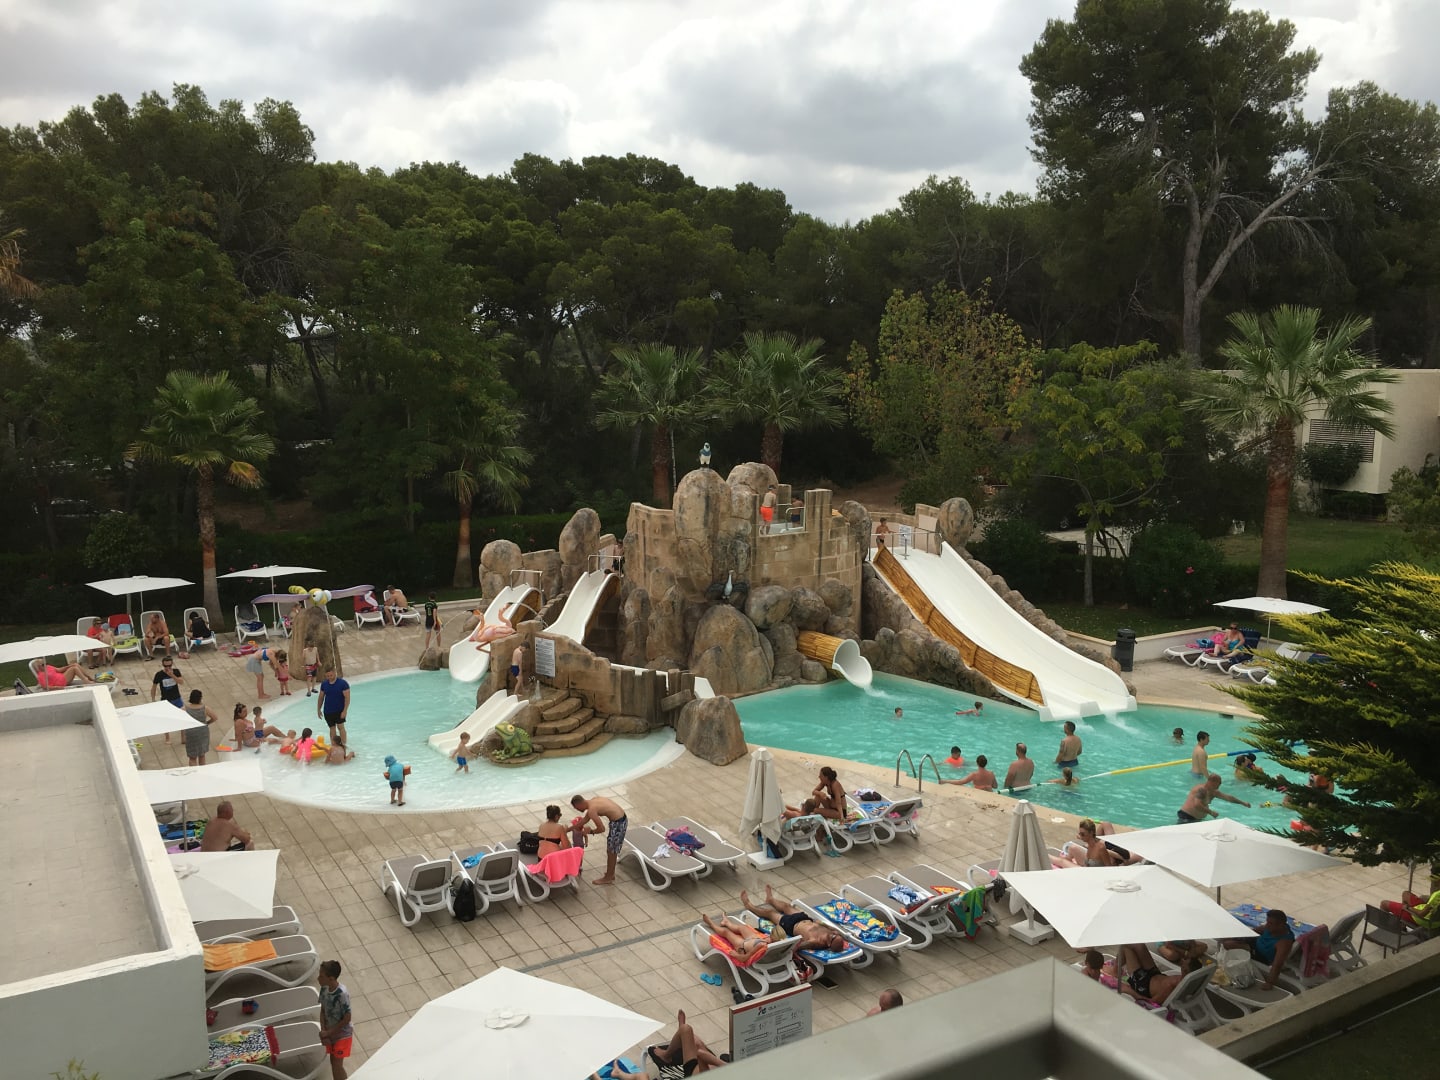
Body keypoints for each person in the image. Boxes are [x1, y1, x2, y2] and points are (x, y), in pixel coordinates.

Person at [741, 885, 847, 953]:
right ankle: (771, 899)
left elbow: (797, 946)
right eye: (835, 935)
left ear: (828, 944)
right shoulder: (833, 934)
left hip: (791, 925)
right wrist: (828, 927)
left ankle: (749, 906)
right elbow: (835, 932)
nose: (833, 935)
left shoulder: (816, 942)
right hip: (805, 919)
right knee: (786, 906)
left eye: (832, 938)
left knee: (770, 913)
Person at [1224, 910, 1295, 991]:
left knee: (1228, 944)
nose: (1267, 925)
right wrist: (1241, 938)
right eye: (1267, 922)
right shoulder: (1271, 928)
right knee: (1228, 938)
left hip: (1261, 955)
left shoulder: (1283, 943)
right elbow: (1254, 931)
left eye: (1270, 923)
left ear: (1281, 925)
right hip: (1257, 942)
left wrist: (1269, 983)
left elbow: (1277, 965)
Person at [645, 1009, 729, 1074]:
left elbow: (701, 1054)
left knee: (686, 1030)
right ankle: (681, 1034)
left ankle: (666, 1056)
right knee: (696, 1041)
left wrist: (725, 1065)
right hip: (709, 1067)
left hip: (694, 1070)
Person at [1118, 944, 1201, 1005]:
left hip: (1143, 984)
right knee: (1139, 945)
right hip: (1154, 974)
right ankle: (1117, 966)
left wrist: (1129, 990)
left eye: (1184, 961)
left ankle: (1115, 969)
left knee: (1126, 947)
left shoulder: (1171, 987)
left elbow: (1151, 1002)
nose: (1182, 960)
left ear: (1185, 970)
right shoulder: (1188, 979)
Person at [572, 793, 628, 884]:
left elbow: (601, 829)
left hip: (618, 823)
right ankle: (610, 874)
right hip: (621, 819)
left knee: (611, 851)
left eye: (576, 808)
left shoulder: (592, 810)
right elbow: (585, 820)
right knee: (611, 850)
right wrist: (569, 829)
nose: (577, 810)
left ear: (579, 804)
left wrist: (590, 831)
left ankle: (609, 877)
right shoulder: (593, 800)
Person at [317, 959, 353, 1080]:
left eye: (321, 976)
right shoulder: (324, 988)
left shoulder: (342, 994)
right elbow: (323, 1010)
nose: (318, 979)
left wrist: (329, 1032)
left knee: (337, 1064)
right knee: (334, 1064)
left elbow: (347, 1018)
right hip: (329, 1032)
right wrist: (324, 1032)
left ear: (331, 978)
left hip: (342, 1034)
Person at [1178, 773, 1251, 823]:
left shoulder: (1214, 792)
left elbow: (1228, 798)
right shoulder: (1202, 790)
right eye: (1219, 783)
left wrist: (1242, 803)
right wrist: (1211, 812)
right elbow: (1197, 805)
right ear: (1212, 782)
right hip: (1187, 817)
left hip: (1196, 819)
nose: (1220, 785)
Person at [701, 912, 768, 960]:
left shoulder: (761, 945)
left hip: (743, 946)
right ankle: (727, 923)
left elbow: (744, 958)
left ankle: (711, 924)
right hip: (754, 940)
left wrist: (736, 955)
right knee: (742, 927)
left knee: (726, 932)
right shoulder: (772, 940)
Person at [180, 689, 217, 765]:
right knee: (202, 755)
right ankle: (202, 770)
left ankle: (194, 771)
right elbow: (214, 717)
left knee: (192, 757)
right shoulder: (205, 708)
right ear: (200, 698)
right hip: (202, 732)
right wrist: (207, 723)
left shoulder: (184, 709)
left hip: (191, 733)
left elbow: (180, 720)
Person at [317, 668, 351, 746]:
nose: (329, 677)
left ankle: (343, 744)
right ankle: (334, 745)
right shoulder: (324, 684)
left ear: (335, 673)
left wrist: (345, 710)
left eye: (331, 675)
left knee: (340, 727)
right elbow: (321, 697)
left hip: (339, 710)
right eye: (327, 676)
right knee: (332, 728)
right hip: (328, 711)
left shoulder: (343, 684)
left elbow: (347, 698)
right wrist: (318, 709)